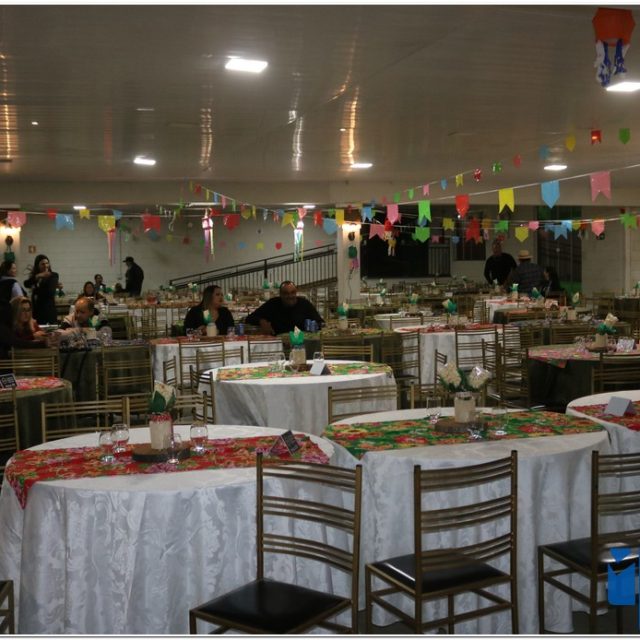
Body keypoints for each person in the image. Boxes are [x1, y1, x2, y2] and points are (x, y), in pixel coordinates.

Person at [246, 280, 324, 335]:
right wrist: (261, 321)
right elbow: (249, 318)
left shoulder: (304, 304)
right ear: (280, 294)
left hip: (300, 343)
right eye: (286, 293)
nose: (290, 296)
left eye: (292, 292)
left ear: (296, 292)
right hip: (277, 343)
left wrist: (312, 328)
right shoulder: (272, 304)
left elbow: (320, 322)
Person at [23, 254, 60, 325]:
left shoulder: (53, 275)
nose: (46, 265)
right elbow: (26, 284)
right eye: (42, 264)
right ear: (38, 266)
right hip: (36, 311)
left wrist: (35, 290)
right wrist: (37, 276)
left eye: (47, 263)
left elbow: (50, 292)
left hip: (47, 311)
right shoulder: (36, 276)